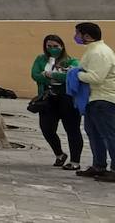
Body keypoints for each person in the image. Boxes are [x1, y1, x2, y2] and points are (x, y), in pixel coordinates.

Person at [72, 22, 115, 182]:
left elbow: (96, 77)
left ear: (87, 36)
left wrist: (74, 74)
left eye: (77, 34)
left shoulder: (99, 52)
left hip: (105, 98)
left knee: (110, 134)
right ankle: (99, 166)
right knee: (93, 133)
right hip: (94, 99)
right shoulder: (93, 51)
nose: (76, 37)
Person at [31, 34, 82, 171]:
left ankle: (75, 161)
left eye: (55, 46)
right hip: (48, 98)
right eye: (49, 46)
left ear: (62, 46)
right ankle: (59, 154)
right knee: (47, 128)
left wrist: (51, 75)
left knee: (72, 130)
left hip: (67, 99)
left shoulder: (71, 61)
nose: (52, 49)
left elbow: (71, 77)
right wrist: (55, 79)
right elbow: (35, 75)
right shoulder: (41, 59)